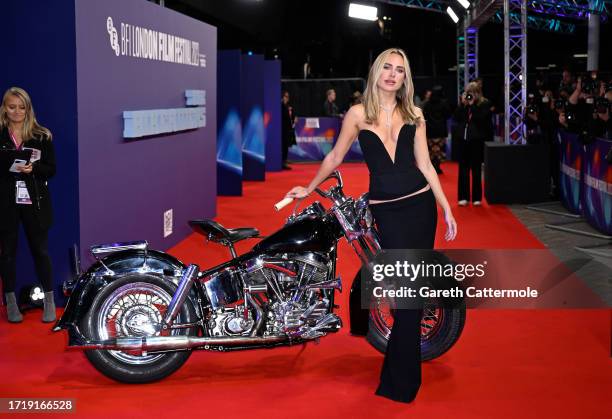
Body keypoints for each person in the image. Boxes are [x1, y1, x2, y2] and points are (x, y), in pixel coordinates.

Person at [286, 48, 457, 403]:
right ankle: (402, 377)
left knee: (412, 294)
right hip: (388, 214)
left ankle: (401, 380)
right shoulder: (358, 114)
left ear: (405, 78)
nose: (393, 75)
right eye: (387, 68)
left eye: (400, 70)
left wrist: (446, 209)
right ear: (377, 73)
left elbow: (426, 166)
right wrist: (309, 187)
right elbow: (334, 157)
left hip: (420, 206)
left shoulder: (416, 114)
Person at [0, 87, 56, 323]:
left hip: (34, 201)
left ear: (28, 108)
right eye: (12, 106)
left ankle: (49, 302)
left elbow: (51, 169)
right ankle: (11, 303)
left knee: (41, 251)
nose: (17, 111)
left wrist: (34, 169)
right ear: (4, 108)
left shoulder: (42, 135)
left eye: (21, 107)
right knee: (8, 254)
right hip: (6, 202)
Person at [453, 81, 493, 206]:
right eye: (468, 93)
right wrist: (463, 105)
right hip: (463, 140)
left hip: (476, 140)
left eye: (473, 93)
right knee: (463, 169)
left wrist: (473, 105)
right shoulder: (464, 105)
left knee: (476, 169)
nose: (470, 95)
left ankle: (477, 198)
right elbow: (456, 118)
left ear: (477, 93)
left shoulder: (484, 104)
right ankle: (463, 197)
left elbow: (482, 119)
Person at [423, 86, 452, 174]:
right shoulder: (444, 103)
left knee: (431, 149)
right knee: (439, 149)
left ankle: (432, 167)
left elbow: (424, 116)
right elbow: (448, 115)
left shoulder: (427, 104)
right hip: (441, 130)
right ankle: (437, 167)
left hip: (430, 130)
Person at [281, 91, 297, 170]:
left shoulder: (288, 106)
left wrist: (294, 118)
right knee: (283, 146)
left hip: (288, 129)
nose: (286, 98)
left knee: (286, 146)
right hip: (282, 129)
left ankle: (284, 161)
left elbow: (292, 116)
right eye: (285, 96)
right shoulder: (281, 106)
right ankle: (282, 162)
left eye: (287, 97)